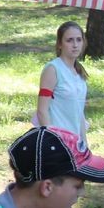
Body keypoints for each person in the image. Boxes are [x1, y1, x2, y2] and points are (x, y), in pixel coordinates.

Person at [36, 20, 89, 148]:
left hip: (75, 142)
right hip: (57, 142)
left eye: (79, 40)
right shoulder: (52, 69)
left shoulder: (79, 72)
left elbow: (79, 111)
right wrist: (52, 142)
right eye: (69, 40)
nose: (75, 45)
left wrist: (84, 144)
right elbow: (42, 111)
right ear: (60, 44)